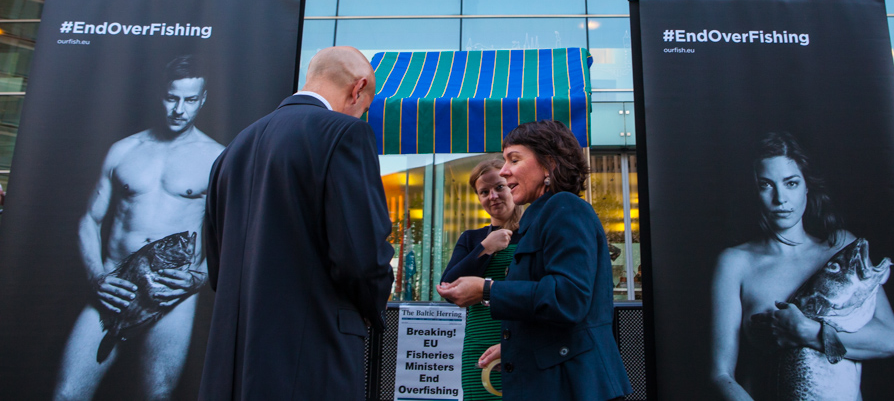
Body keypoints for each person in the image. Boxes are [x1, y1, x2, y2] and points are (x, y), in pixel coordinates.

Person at [199, 46, 394, 401]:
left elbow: (217, 266)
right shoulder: (345, 133)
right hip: (312, 357)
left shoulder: (231, 151)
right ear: (357, 88)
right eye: (365, 106)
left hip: (231, 366)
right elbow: (362, 255)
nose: (361, 114)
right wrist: (372, 309)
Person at [54, 55, 224, 401]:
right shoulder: (125, 150)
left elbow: (234, 229)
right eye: (171, 97)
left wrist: (201, 275)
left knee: (157, 395)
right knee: (68, 395)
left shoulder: (217, 157)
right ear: (160, 95)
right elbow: (90, 219)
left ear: (202, 100)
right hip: (115, 286)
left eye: (190, 100)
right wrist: (98, 277)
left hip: (172, 294)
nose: (179, 109)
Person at [437, 119, 632, 401]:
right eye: (505, 161)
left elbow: (568, 298)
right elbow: (555, 315)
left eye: (514, 160)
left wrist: (486, 289)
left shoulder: (564, 208)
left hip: (574, 385)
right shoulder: (543, 214)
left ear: (549, 164)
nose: (504, 171)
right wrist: (518, 345)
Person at [709, 132, 894, 401]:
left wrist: (808, 332)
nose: (780, 199)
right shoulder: (735, 263)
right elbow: (720, 375)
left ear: (807, 186)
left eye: (791, 183)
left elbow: (890, 342)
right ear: (754, 190)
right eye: (766, 185)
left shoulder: (841, 249)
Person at [441, 157, 523, 399]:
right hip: (479, 345)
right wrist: (486, 247)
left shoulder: (535, 233)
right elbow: (449, 288)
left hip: (523, 342)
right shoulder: (471, 239)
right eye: (484, 192)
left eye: (499, 187)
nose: (493, 196)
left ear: (512, 185)